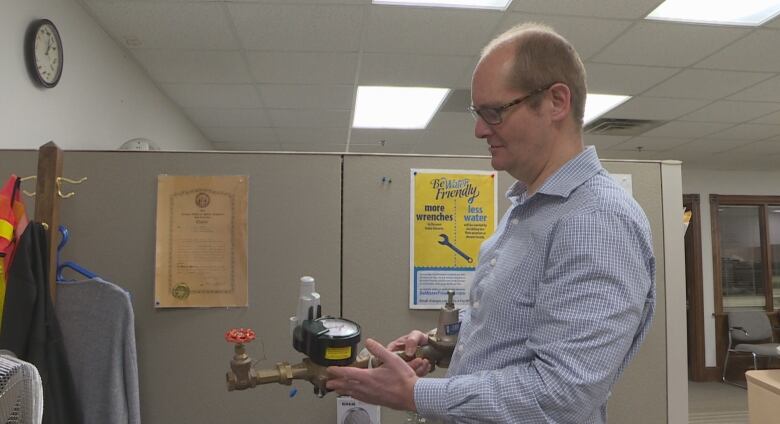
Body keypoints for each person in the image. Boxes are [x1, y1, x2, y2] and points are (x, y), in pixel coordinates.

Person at [327, 22, 656, 424]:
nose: (479, 129)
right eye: (478, 113)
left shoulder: (596, 220)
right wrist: (439, 345)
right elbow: (513, 336)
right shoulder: (528, 208)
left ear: (556, 102)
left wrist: (416, 394)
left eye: (494, 112)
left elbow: (561, 393)